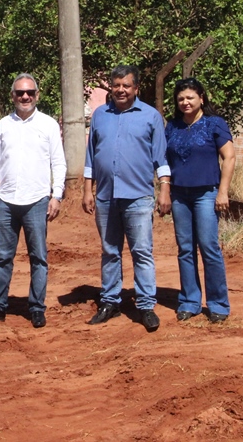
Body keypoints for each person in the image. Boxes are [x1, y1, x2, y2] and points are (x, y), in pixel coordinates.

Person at [82, 66, 171, 332]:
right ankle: (110, 301)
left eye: (126, 86)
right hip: (106, 196)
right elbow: (91, 156)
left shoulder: (150, 116)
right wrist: (88, 190)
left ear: (136, 89)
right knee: (110, 252)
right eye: (116, 85)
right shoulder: (100, 115)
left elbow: (161, 158)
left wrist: (164, 188)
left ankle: (145, 306)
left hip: (139, 197)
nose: (120, 90)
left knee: (141, 252)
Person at [0, 74, 66, 329]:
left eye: (29, 92)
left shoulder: (49, 125)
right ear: (12, 96)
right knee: (3, 257)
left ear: (37, 95)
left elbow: (58, 162)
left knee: (38, 257)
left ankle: (36, 307)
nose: (24, 97)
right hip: (5, 201)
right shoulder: (4, 124)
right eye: (19, 93)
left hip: (37, 200)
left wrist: (56, 195)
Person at [165, 78, 236, 324]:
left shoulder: (214, 124)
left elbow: (229, 157)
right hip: (179, 196)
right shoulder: (172, 126)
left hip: (207, 194)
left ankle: (218, 304)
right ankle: (189, 301)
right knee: (185, 250)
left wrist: (223, 192)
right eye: (181, 98)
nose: (185, 102)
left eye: (190, 98)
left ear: (201, 98)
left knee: (209, 247)